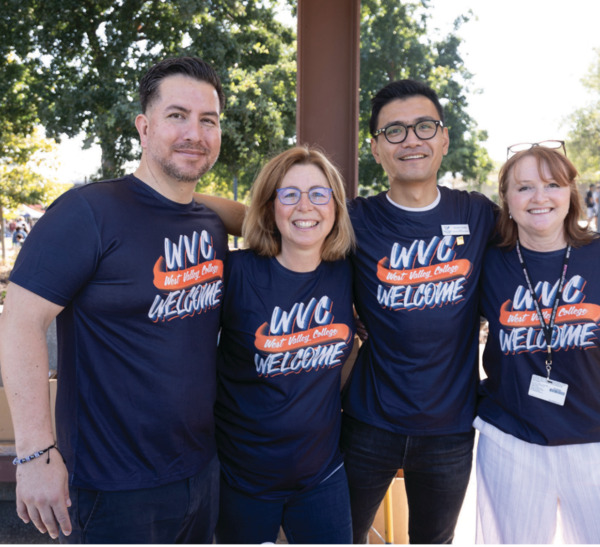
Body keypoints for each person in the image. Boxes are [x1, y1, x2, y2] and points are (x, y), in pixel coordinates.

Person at [0, 56, 244, 543]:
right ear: (144, 125)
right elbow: (19, 323)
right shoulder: (87, 213)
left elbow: (287, 221)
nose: (194, 132)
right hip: (109, 488)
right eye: (177, 115)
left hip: (202, 470)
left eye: (208, 120)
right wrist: (33, 453)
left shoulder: (213, 224)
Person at [340, 80, 497, 544]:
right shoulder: (355, 219)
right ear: (375, 148)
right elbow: (282, 234)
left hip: (450, 427)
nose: (411, 139)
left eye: (424, 126)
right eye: (394, 131)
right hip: (369, 420)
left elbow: (542, 234)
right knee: (339, 536)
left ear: (444, 138)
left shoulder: (478, 214)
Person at [214, 146, 356, 544]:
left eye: (319, 193)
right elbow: (186, 204)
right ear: (269, 206)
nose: (305, 206)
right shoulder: (236, 272)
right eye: (289, 194)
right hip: (242, 479)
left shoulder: (347, 271)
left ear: (335, 205)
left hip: (321, 476)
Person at [475, 144, 600, 544]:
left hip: (595, 441)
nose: (540, 197)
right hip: (512, 440)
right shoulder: (488, 263)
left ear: (570, 195)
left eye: (552, 185)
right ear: (507, 201)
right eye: (524, 187)